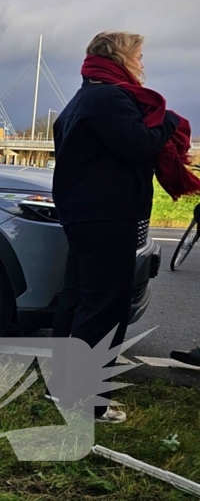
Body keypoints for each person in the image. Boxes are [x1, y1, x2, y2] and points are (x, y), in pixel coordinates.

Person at [50, 31, 200, 423]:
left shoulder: (83, 97)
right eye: (139, 55)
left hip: (83, 215)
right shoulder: (111, 99)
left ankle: (63, 388)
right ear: (121, 57)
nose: (142, 63)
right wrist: (169, 121)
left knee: (77, 301)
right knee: (104, 308)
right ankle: (87, 402)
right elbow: (138, 144)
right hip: (109, 216)